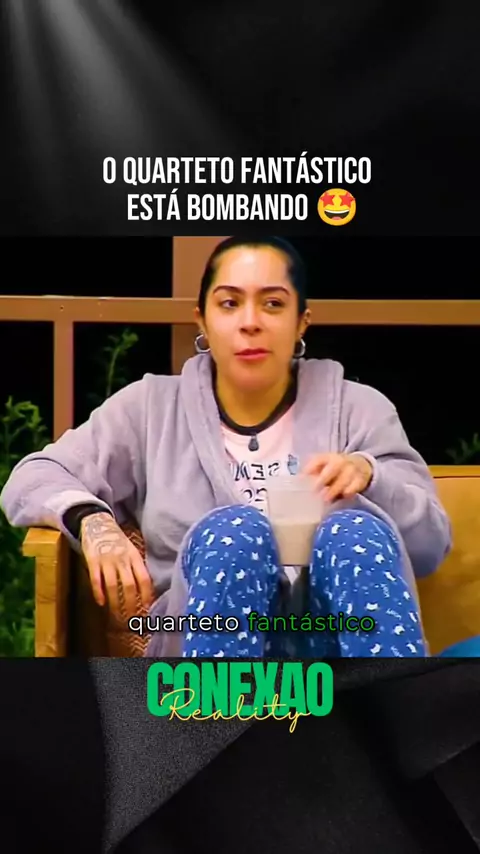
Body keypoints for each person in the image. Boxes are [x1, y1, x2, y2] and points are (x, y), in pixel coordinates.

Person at [1, 236, 451, 658]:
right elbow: (33, 475)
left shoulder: (359, 409)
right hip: (200, 640)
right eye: (230, 303)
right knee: (234, 532)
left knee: (353, 531)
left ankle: (392, 708)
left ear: (301, 322)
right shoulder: (151, 408)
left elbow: (430, 546)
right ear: (202, 319)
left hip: (334, 651)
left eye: (273, 304)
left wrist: (371, 478)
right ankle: (213, 715)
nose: (250, 322)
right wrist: (93, 522)